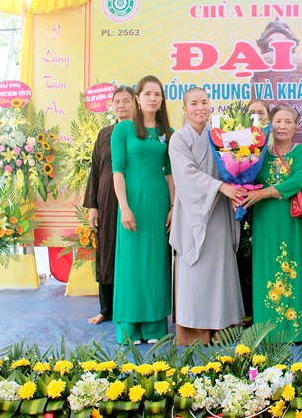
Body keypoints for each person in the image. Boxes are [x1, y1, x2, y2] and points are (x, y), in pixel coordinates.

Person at [168, 87, 245, 346]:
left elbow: (234, 167)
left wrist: (237, 185)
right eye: (193, 103)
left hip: (219, 212)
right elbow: (186, 175)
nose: (200, 107)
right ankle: (195, 332)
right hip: (192, 214)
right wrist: (221, 187)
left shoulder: (220, 137)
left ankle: (223, 329)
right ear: (185, 109)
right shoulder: (179, 139)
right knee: (195, 273)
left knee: (219, 271)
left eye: (204, 102)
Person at [239, 105, 302, 343]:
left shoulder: (300, 152)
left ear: (296, 126)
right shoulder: (259, 153)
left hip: (291, 219)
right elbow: (248, 178)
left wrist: (264, 193)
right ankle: (267, 330)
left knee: (292, 268)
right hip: (264, 220)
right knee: (266, 269)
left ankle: (295, 330)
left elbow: (297, 181)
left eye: (288, 122)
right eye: (278, 121)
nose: (282, 126)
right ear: (270, 125)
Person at [111, 75, 174, 344]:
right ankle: (129, 327)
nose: (152, 98)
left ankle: (154, 326)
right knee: (131, 264)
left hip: (158, 203)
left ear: (162, 100)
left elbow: (170, 173)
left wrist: (173, 206)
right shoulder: (123, 130)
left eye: (157, 94)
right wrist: (124, 207)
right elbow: (118, 171)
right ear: (137, 98)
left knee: (154, 263)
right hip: (132, 203)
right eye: (147, 93)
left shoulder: (167, 132)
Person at [84, 85, 134, 325]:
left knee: (131, 251)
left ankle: (132, 306)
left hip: (132, 198)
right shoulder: (104, 134)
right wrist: (93, 206)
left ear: (135, 103)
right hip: (106, 200)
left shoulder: (141, 132)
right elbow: (95, 170)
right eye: (117, 102)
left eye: (126, 101)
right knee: (107, 251)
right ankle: (107, 309)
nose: (121, 105)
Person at [236, 98, 272, 326]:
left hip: (267, 206)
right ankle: (247, 310)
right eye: (252, 112)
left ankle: (266, 308)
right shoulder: (237, 142)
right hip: (245, 207)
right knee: (244, 258)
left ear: (268, 117)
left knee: (266, 258)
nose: (257, 116)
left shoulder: (273, 143)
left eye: (261, 112)